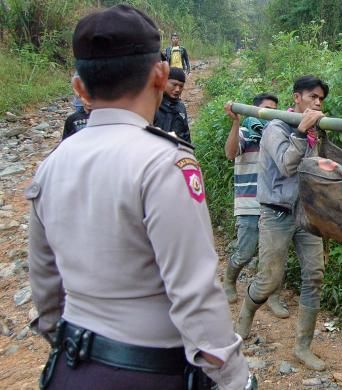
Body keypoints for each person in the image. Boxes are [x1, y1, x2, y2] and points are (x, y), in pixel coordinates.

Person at [26, 5, 254, 389]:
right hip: (147, 372)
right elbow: (194, 294)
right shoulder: (166, 162)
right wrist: (235, 379)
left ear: (79, 87)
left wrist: (65, 346)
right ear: (161, 75)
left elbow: (46, 288)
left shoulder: (52, 164)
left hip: (70, 367)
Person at [236, 75, 328, 371]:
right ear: (296, 97)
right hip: (276, 213)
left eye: (321, 99)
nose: (317, 103)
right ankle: (246, 314)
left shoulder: (316, 133)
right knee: (269, 281)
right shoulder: (276, 128)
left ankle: (302, 346)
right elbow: (288, 165)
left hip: (306, 214)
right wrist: (301, 134)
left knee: (314, 275)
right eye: (313, 97)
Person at [222, 94, 291, 319]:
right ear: (255, 111)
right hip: (249, 203)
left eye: (274, 111)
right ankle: (230, 280)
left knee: (275, 255)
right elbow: (231, 153)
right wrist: (236, 123)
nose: (270, 115)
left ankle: (273, 297)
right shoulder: (244, 133)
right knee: (245, 251)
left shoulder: (278, 136)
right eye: (266, 110)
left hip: (272, 204)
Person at [154, 67, 190, 143]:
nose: (177, 89)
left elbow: (186, 135)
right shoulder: (153, 105)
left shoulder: (181, 108)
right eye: (174, 84)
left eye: (181, 86)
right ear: (164, 82)